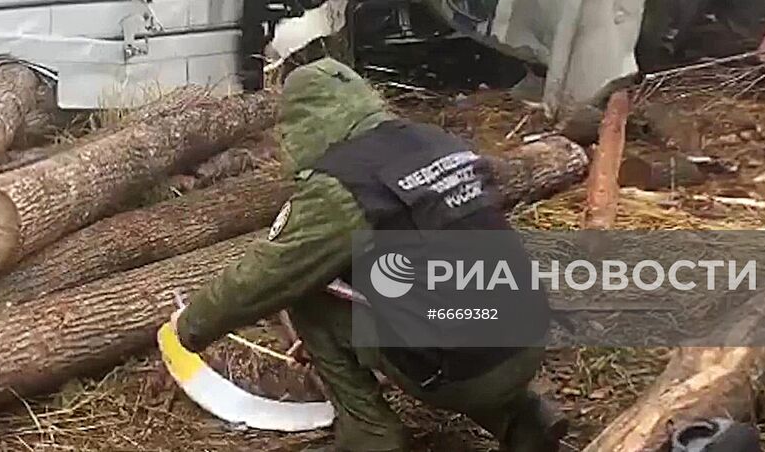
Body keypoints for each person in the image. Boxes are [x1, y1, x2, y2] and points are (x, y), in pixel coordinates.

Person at [173, 58, 566, 451]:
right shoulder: (432, 141)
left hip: (465, 369)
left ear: (305, 122)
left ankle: (371, 434)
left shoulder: (343, 184)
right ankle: (519, 417)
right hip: (528, 336)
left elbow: (264, 277)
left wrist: (187, 329)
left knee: (307, 298)